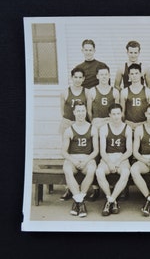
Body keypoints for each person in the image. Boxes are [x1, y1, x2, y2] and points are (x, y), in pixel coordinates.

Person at [61, 101, 99, 217]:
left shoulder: (92, 129)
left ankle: (77, 200)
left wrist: (86, 161)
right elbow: (63, 151)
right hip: (73, 159)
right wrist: (74, 161)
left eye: (83, 111)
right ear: (74, 112)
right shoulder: (69, 130)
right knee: (67, 169)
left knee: (92, 169)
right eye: (78, 111)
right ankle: (80, 202)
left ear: (85, 112)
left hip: (87, 159)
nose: (81, 114)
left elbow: (96, 150)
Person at [96, 103, 132, 216]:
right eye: (113, 114)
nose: (116, 116)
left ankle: (109, 201)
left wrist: (117, 162)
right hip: (108, 157)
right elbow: (102, 151)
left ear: (122, 114)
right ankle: (112, 200)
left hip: (122, 158)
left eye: (118, 113)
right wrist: (110, 162)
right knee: (99, 172)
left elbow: (129, 151)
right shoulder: (104, 128)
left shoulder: (127, 128)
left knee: (126, 172)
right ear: (109, 115)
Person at [59, 67, 89, 201]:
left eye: (80, 77)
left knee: (82, 153)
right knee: (68, 156)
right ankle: (69, 188)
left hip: (81, 125)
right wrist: (69, 124)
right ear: (72, 78)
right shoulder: (65, 92)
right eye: (75, 77)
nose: (77, 80)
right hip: (68, 123)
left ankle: (87, 187)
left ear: (83, 79)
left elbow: (88, 110)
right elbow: (63, 111)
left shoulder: (87, 92)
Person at [120, 63, 150, 130]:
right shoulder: (124, 92)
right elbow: (122, 113)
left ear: (141, 74)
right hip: (129, 124)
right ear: (129, 75)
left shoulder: (148, 92)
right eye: (132, 74)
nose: (134, 76)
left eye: (136, 73)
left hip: (143, 124)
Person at [87, 63, 120, 129]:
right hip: (97, 121)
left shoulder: (115, 91)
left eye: (106, 74)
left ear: (109, 75)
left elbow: (117, 111)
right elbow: (89, 112)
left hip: (110, 121)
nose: (104, 77)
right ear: (97, 76)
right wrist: (93, 122)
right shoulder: (92, 91)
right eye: (101, 75)